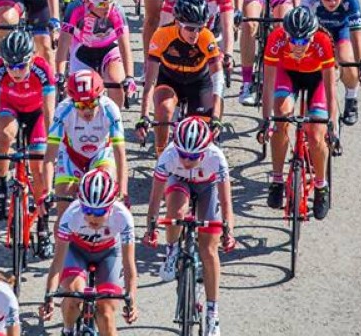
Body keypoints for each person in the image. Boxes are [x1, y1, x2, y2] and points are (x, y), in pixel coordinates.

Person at [144, 117, 235, 336]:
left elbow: (226, 201)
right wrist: (151, 229)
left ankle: (213, 313)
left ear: (205, 150)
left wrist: (228, 231)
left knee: (209, 249)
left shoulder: (216, 157)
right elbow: (155, 199)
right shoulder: (168, 156)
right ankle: (172, 250)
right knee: (176, 212)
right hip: (179, 182)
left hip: (208, 187)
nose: (187, 160)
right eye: (183, 154)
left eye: (193, 156)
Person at [39, 168, 139, 336]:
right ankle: (68, 330)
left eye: (100, 212)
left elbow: (129, 266)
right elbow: (57, 263)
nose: (93, 217)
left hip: (109, 253)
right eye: (87, 210)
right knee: (73, 295)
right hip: (77, 250)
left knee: (106, 312)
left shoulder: (123, 217)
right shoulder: (71, 215)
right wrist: (48, 297)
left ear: (111, 205)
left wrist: (131, 302)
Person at [262, 6, 337, 220]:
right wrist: (265, 121)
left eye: (303, 41)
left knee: (316, 135)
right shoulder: (276, 40)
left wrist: (331, 125)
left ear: (312, 37)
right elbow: (267, 85)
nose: (296, 45)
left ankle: (321, 187)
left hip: (316, 81)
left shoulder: (323, 42)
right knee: (281, 119)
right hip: (288, 76)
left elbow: (331, 90)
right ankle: (277, 181)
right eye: (292, 40)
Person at [0, 29, 56, 251]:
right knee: (5, 135)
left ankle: (43, 224)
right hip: (10, 108)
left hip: (36, 112)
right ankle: (0, 184)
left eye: (20, 66)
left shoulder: (43, 70)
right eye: (10, 66)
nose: (15, 71)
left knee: (37, 166)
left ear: (32, 59)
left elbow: (49, 112)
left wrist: (51, 148)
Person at [139, 0, 222, 155]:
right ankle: (161, 157)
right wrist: (144, 115)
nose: (195, 33)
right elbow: (150, 81)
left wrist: (217, 116)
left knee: (201, 131)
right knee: (163, 111)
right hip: (170, 80)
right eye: (190, 28)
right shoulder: (161, 35)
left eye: (199, 27)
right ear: (177, 22)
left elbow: (218, 79)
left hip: (199, 82)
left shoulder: (207, 37)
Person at [43, 70, 129, 216]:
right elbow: (50, 155)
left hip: (100, 156)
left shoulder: (110, 109)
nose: (87, 110)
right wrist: (47, 190)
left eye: (91, 103)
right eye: (80, 106)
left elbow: (120, 154)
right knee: (63, 215)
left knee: (103, 197)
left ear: (100, 97)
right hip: (72, 157)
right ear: (72, 101)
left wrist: (123, 191)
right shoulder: (63, 110)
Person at [300, 0, 361, 125]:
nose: (332, 2)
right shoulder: (309, 2)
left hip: (340, 32)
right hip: (317, 33)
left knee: (346, 58)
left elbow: (357, 39)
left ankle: (351, 98)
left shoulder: (351, 2)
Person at [58, 0, 134, 109]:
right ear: (86, 0)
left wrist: (129, 77)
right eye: (102, 3)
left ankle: (114, 126)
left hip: (109, 50)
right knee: (79, 97)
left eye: (110, 1)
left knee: (115, 81)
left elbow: (125, 46)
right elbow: (63, 46)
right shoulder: (74, 9)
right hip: (82, 51)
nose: (108, 7)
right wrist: (60, 74)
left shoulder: (116, 10)